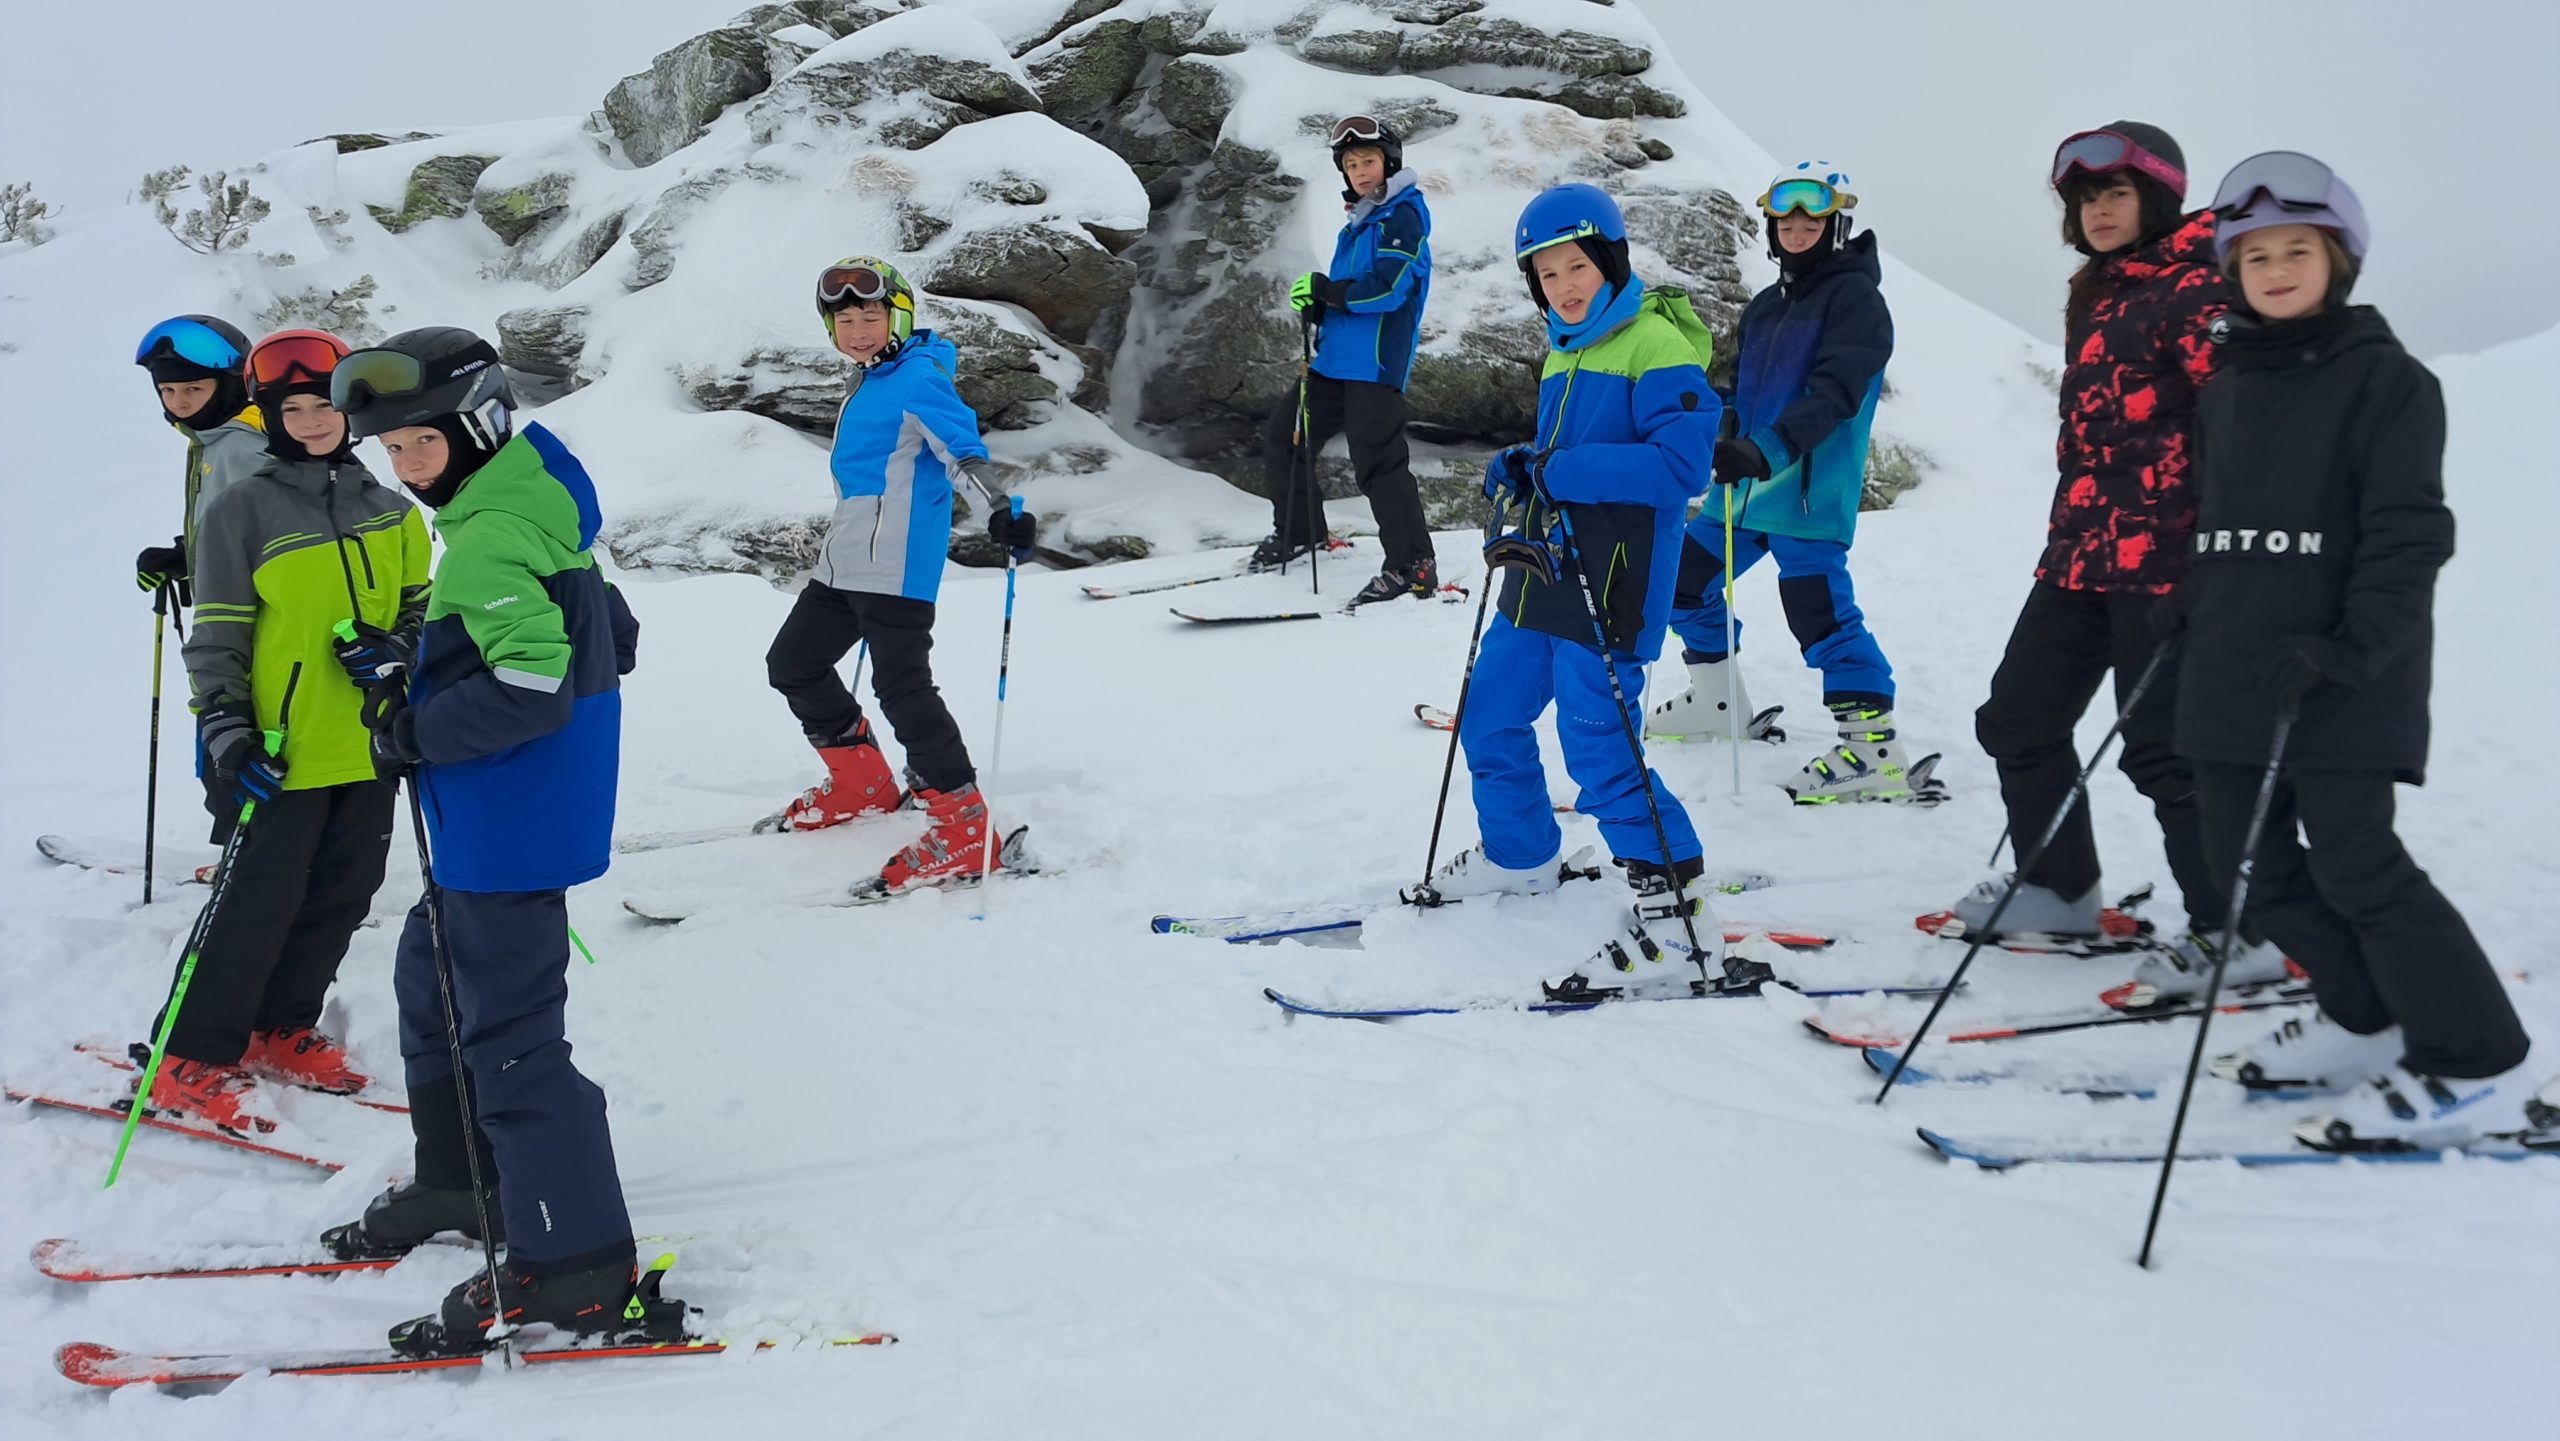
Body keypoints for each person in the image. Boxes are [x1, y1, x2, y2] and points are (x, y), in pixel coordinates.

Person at [2159, 154, 2550, 1149]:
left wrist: (2351, 645)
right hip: (2233, 667)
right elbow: (2216, 520)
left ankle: (2479, 1062)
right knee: (2241, 860)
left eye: (2298, 249)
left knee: (2355, 862)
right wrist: (2190, 612)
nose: (2276, 269)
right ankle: (2364, 1015)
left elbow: (2408, 533)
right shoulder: (2227, 386)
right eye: (2255, 255)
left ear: (2339, 261)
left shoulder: (2389, 380)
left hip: (2342, 672)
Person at [321, 326, 669, 1354]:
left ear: (477, 427)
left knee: (510, 1037)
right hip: (504, 813)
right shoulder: (528, 502)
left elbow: (532, 686)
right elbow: (609, 631)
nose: (406, 465)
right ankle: (462, 1181)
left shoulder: (488, 535)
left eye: (422, 443)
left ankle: (574, 1265)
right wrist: (429, 657)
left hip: (509, 821)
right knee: (431, 981)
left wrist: (411, 725)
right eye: (392, 448)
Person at [1420, 183, 1766, 996]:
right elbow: (1564, 452)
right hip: (1544, 568)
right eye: (1546, 275)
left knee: (1598, 746)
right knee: (1491, 710)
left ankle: (1678, 924)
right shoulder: (1564, 348)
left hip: (1613, 581)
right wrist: (1524, 462)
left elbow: (1680, 467)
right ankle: (1521, 854)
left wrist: (1561, 469)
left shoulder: (1657, 345)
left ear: (1609, 261)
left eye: (1576, 266)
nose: (1564, 286)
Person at [1955, 122, 2255, 983]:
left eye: (2115, 193)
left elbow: (2243, 429)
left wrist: (2223, 559)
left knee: (2166, 750)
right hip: (2081, 556)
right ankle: (2059, 888)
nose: (2098, 211)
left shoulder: (2198, 289)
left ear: (2156, 196)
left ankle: (2240, 928)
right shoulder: (2103, 293)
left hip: (2169, 563)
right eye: (2086, 199)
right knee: (2018, 717)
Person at [140, 329, 431, 1134]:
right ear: (269, 417)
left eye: (322, 405)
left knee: (341, 894)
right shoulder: (242, 510)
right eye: (291, 408)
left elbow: (422, 609)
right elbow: (218, 635)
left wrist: (398, 648)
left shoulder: (392, 511)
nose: (310, 421)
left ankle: (279, 1025)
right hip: (279, 751)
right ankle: (188, 1056)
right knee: (253, 907)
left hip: (368, 744)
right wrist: (227, 729)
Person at [1650, 161, 1930, 803]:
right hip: (1743, 492)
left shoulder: (1857, 301)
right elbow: (1743, 392)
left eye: (1812, 219)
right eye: (1786, 220)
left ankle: (1873, 749)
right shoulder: (1767, 307)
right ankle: (1718, 700)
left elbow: (1834, 394)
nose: (1798, 230)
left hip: (1805, 491)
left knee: (1818, 611)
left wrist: (1766, 449)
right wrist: (1717, 429)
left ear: (1835, 225)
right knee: (1678, 584)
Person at [763, 255, 1035, 893]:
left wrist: (999, 510)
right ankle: (864, 785)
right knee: (793, 664)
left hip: (896, 566)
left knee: (902, 688)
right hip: (843, 563)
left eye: (871, 317)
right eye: (845, 321)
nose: (858, 331)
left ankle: (965, 828)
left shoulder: (918, 378)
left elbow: (962, 453)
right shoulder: (869, 376)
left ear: (899, 318)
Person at [1255, 115, 1438, 605]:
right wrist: (1319, 305)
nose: (1359, 171)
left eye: (1368, 161)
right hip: (1332, 363)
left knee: (1378, 465)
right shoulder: (1358, 223)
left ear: (1389, 163)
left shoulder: (1402, 216)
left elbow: (1389, 289)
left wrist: (1329, 291)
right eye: (1351, 164)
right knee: (1285, 437)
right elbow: (1349, 295)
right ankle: (1300, 533)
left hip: (1374, 367)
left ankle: (1412, 566)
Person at [132, 314, 271, 842]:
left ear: (230, 385)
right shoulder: (213, 441)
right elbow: (231, 527)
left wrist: (208, 567)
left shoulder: (243, 446)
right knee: (222, 739)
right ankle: (245, 851)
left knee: (233, 739)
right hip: (231, 623)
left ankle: (252, 858)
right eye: (168, 390)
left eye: (194, 388)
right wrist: (186, 557)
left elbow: (269, 536)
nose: (180, 401)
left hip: (248, 627)